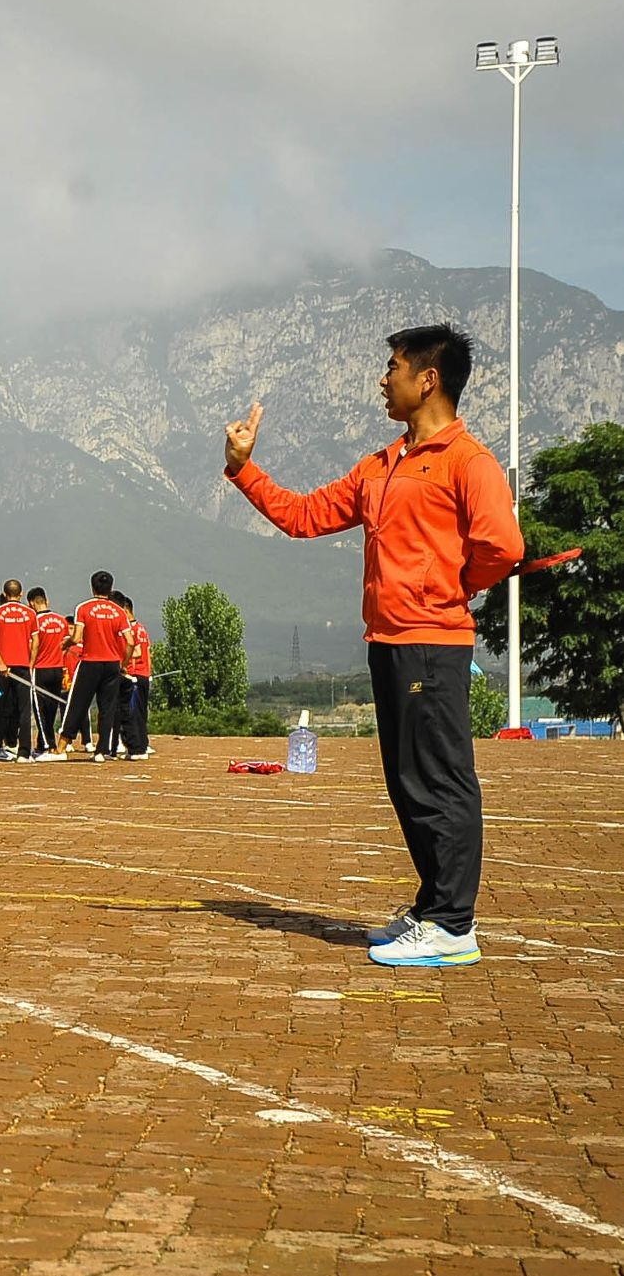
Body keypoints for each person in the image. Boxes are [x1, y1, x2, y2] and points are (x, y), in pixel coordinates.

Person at [225, 324, 521, 968]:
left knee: (440, 779)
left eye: (393, 367)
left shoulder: (467, 461)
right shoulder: (380, 466)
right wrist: (244, 470)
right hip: (387, 640)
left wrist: (446, 587)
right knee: (406, 779)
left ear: (428, 379)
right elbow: (304, 516)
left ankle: (453, 923)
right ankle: (433, 905)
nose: (382, 380)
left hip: (431, 643)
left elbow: (504, 546)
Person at [59, 571, 131, 760]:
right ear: (110, 588)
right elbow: (130, 642)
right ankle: (101, 750)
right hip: (112, 664)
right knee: (107, 707)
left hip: (90, 662)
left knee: (77, 703)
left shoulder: (84, 608)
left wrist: (65, 644)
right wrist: (122, 663)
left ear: (92, 587)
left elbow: (76, 637)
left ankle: (60, 747)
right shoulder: (118, 611)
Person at [0, 578, 38, 761]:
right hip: (23, 666)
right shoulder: (30, 614)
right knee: (24, 710)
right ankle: (24, 751)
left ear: (4, 594)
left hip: (3, 667)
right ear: (21, 594)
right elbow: (35, 642)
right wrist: (30, 664)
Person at [27, 589, 70, 762]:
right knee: (51, 709)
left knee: (39, 710)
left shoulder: (34, 621)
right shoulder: (61, 621)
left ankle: (48, 745)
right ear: (47, 601)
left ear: (31, 603)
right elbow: (67, 644)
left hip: (40, 668)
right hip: (57, 668)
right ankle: (42, 743)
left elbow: (32, 646)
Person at [115, 593, 153, 759]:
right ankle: (142, 743)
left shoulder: (129, 630)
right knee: (140, 712)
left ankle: (134, 746)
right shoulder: (142, 629)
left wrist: (122, 663)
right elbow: (148, 653)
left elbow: (136, 652)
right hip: (144, 674)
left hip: (134, 674)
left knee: (130, 712)